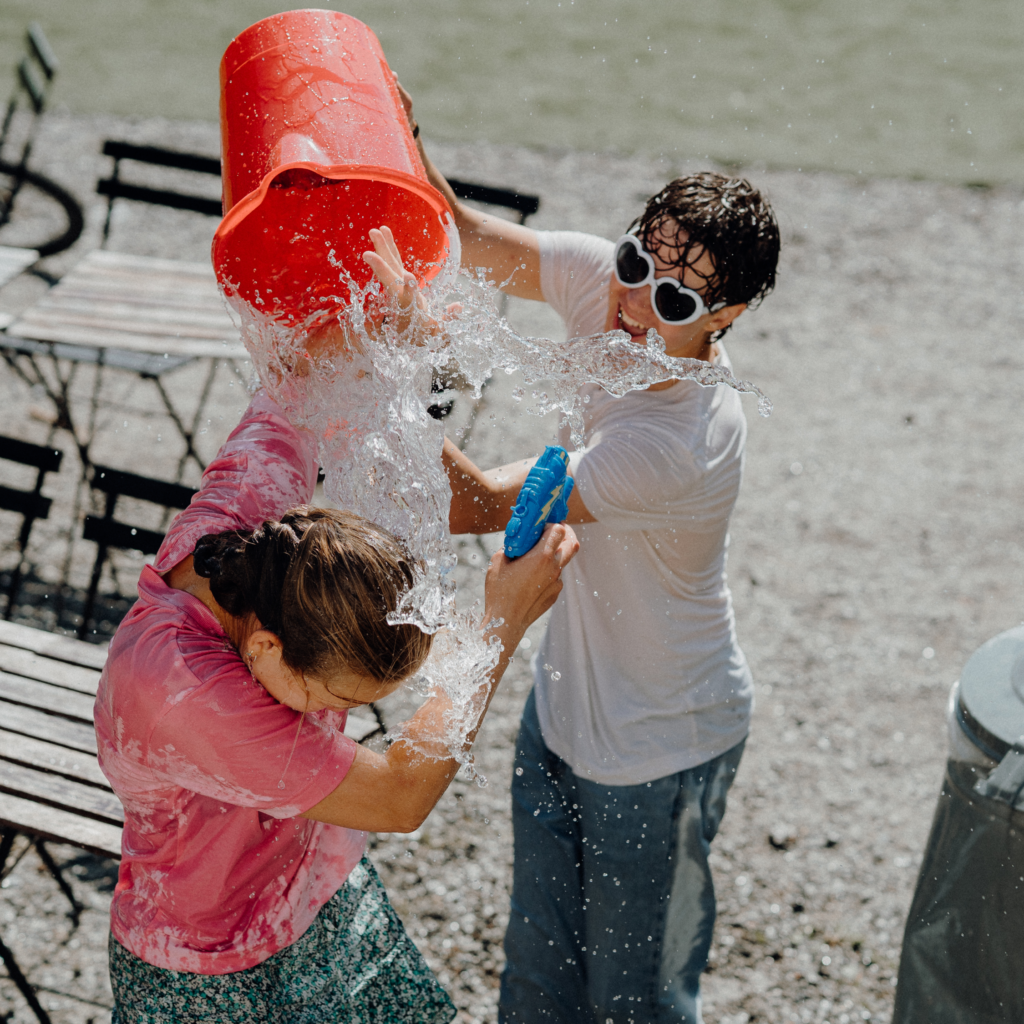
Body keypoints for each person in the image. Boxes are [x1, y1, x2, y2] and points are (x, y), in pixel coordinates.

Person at [93, 229, 580, 1024]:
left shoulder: (253, 531)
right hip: (204, 967)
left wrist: (383, 333)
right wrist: (499, 622)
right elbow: (398, 798)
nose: (341, 722)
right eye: (337, 701)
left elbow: (302, 380)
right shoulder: (186, 694)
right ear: (266, 648)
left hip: (318, 890)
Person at [399, 82, 780, 1023]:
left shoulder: (682, 440)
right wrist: (399, 130)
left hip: (663, 747)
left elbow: (482, 505)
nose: (635, 303)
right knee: (533, 981)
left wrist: (383, 383)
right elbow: (459, 235)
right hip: (562, 711)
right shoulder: (607, 284)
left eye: (675, 298)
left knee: (632, 1004)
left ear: (726, 316)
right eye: (636, 261)